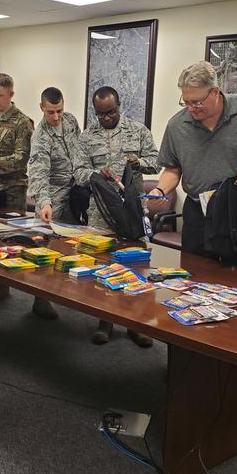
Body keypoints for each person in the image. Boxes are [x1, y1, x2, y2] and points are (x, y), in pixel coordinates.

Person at [150, 61, 237, 256]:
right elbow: (172, 169)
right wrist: (160, 190)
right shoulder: (176, 125)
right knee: (193, 273)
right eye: (186, 102)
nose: (191, 108)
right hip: (197, 212)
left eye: (197, 102)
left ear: (215, 92)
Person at [73, 86, 159, 347]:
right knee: (103, 266)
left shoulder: (138, 130)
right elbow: (78, 171)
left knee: (135, 267)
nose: (106, 118)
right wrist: (97, 175)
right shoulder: (87, 137)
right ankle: (105, 322)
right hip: (100, 214)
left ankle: (136, 323)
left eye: (110, 112)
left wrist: (138, 163)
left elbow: (156, 161)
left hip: (131, 210)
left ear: (119, 106)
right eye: (100, 114)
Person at [0, 73, 55, 316]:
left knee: (7, 239)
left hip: (12, 189)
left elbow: (21, 159)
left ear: (11, 95)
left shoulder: (22, 123)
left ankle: (3, 285)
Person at [28, 86, 83, 224]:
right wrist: (45, 203)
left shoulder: (70, 120)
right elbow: (38, 174)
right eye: (50, 112)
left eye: (59, 111)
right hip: (54, 197)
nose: (56, 117)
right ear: (41, 107)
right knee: (47, 238)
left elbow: (82, 150)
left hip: (76, 191)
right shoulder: (40, 137)